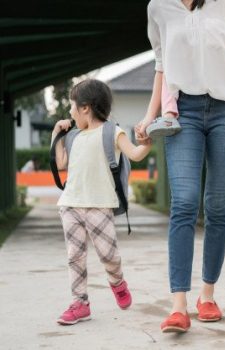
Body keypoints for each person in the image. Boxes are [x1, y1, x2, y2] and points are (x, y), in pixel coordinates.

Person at [137, 0, 225, 333]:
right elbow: (161, 64)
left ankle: (207, 295)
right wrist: (149, 114)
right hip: (182, 112)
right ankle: (178, 305)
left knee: (217, 205)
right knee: (183, 201)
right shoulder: (159, 7)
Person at [51, 79, 152, 325]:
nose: (71, 113)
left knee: (108, 255)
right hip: (71, 204)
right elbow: (61, 163)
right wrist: (57, 135)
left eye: (72, 107)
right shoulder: (73, 136)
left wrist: (146, 143)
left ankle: (117, 282)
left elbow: (135, 154)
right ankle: (80, 303)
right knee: (75, 256)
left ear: (86, 107)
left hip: (99, 204)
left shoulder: (112, 132)